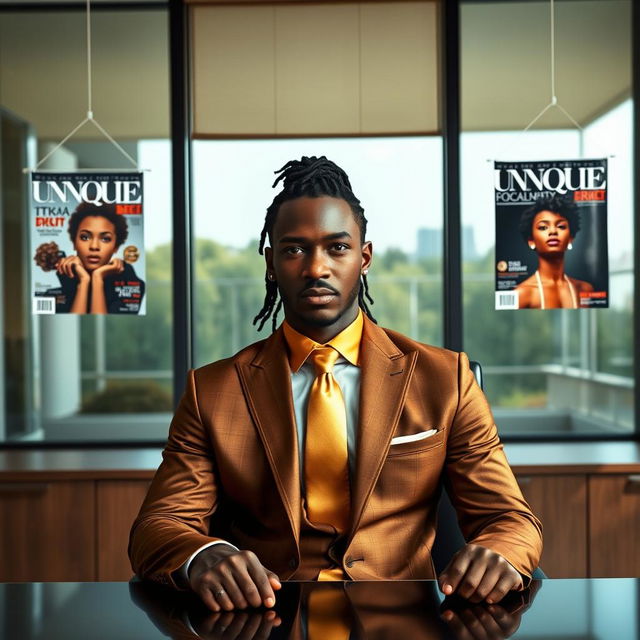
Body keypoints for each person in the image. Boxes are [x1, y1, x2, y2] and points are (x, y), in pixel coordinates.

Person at [129, 156, 542, 613]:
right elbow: (159, 526)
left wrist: (500, 554)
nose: (315, 269)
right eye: (294, 249)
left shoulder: (446, 379)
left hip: (402, 618)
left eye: (337, 248)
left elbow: (510, 518)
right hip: (266, 616)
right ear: (271, 263)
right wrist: (203, 555)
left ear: (364, 258)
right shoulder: (212, 390)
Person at [48, 202, 144, 314]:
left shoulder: (132, 285)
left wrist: (97, 278)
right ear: (74, 243)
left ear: (115, 247)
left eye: (105, 239)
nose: (94, 246)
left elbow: (102, 326)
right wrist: (84, 281)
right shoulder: (53, 295)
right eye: (85, 237)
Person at [515, 196, 593, 309]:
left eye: (561, 226)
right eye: (543, 227)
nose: (553, 231)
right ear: (531, 240)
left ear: (570, 238)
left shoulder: (585, 289)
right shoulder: (522, 294)